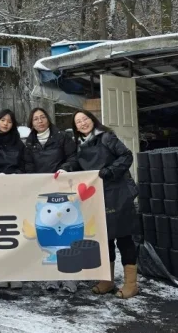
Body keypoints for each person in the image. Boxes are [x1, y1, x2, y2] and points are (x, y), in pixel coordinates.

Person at [60, 110, 138, 299]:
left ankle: (131, 284)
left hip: (118, 193)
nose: (83, 123)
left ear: (92, 120)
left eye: (85, 119)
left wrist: (110, 171)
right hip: (98, 196)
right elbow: (78, 166)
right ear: (75, 127)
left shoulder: (107, 137)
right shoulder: (80, 145)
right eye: (78, 122)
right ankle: (107, 280)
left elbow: (127, 156)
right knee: (105, 239)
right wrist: (65, 169)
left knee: (124, 237)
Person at [23, 107, 78, 293]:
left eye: (42, 117)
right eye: (35, 119)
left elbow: (73, 157)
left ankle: (70, 277)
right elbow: (28, 165)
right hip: (42, 194)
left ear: (48, 119)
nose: (39, 121)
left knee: (67, 234)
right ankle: (50, 277)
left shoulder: (62, 137)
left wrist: (65, 168)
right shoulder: (29, 143)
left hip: (63, 191)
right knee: (48, 236)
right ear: (31, 123)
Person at [0, 109, 25, 290]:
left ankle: (16, 272)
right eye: (2, 120)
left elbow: (26, 164)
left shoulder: (18, 143)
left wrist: (14, 175)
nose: (5, 124)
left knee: (13, 231)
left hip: (14, 189)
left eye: (9, 121)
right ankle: (1, 273)